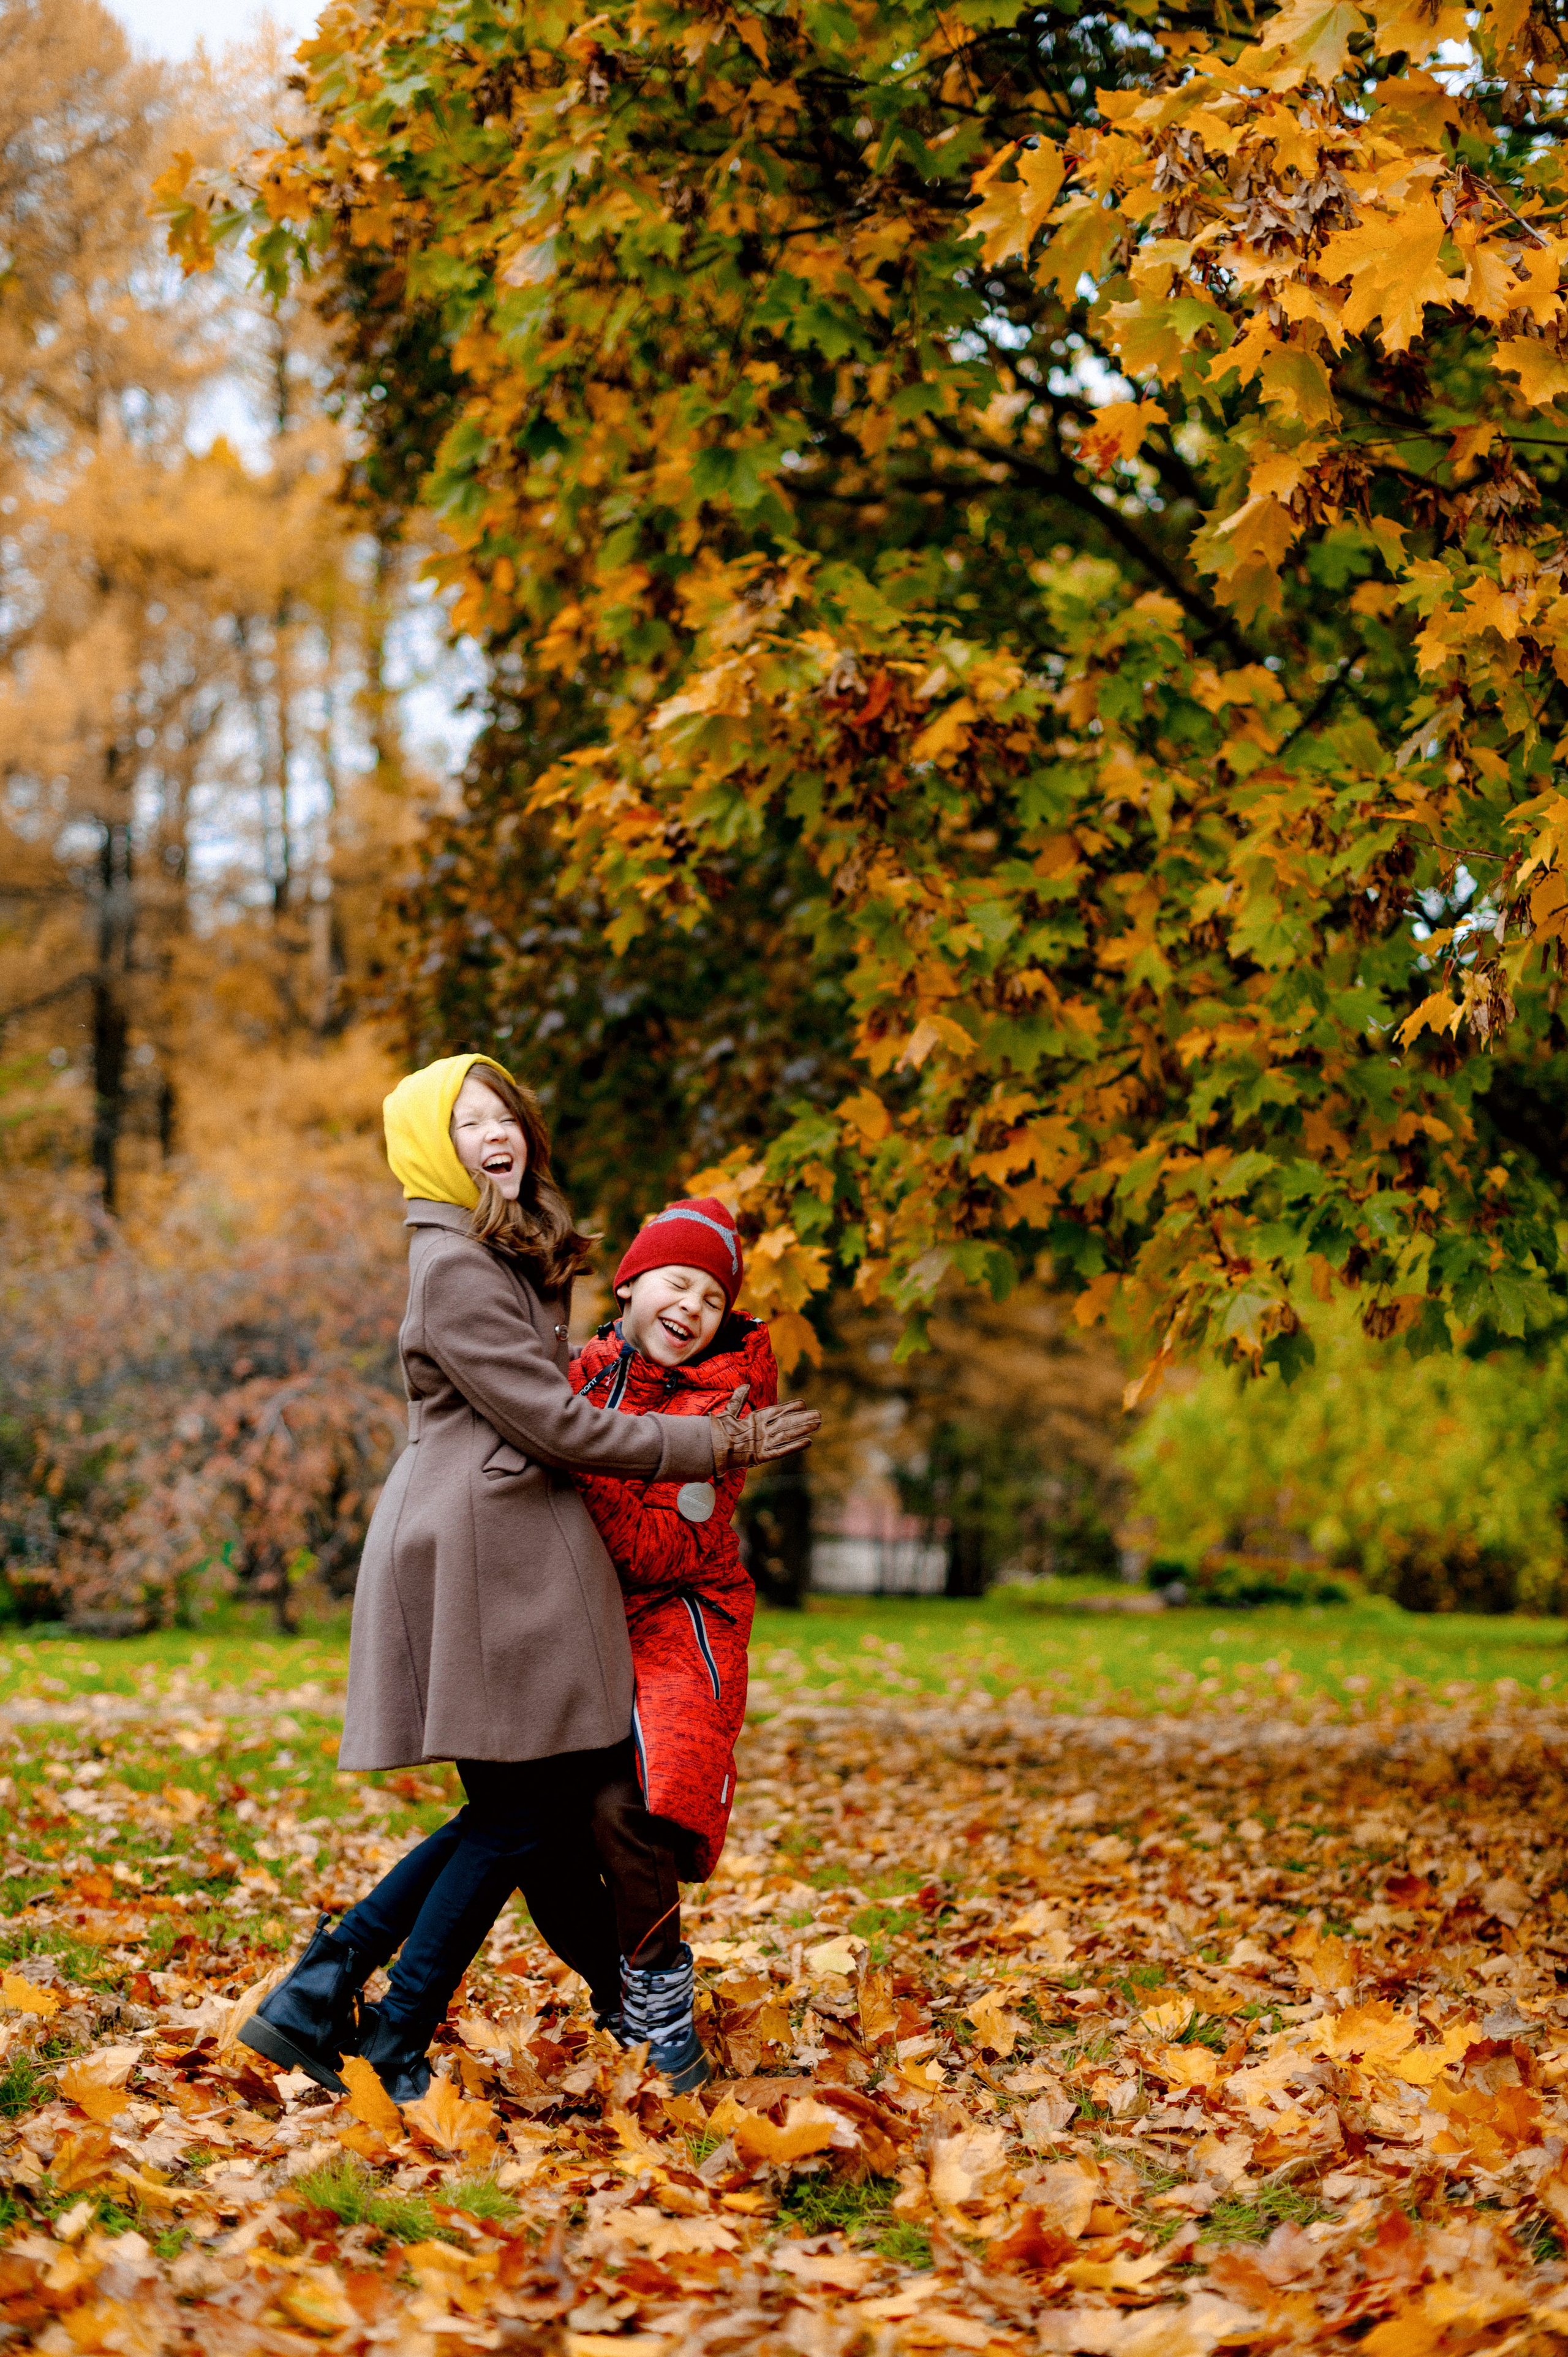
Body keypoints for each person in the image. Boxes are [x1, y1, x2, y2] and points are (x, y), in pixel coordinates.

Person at [241, 1054, 819, 2102]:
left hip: (502, 1548)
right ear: (431, 1149)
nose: (493, 1132)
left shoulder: (495, 1251)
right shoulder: (457, 1266)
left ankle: (324, 1993)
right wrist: (712, 1449)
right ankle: (386, 2032)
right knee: (518, 1818)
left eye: (503, 1113)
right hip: (480, 1557)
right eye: (466, 1123)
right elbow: (554, 1423)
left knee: (518, 1816)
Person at [568, 1197, 777, 2091]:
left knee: (633, 1808)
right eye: (675, 1283)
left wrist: (575, 1448)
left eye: (710, 1298)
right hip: (578, 1616)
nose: (691, 1308)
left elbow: (658, 1548)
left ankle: (658, 2001)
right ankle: (621, 1998)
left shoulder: (727, 1407)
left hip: (681, 1621)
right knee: (536, 1823)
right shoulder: (581, 1370)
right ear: (630, 1283)